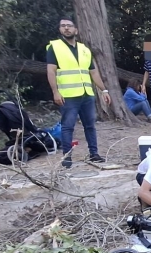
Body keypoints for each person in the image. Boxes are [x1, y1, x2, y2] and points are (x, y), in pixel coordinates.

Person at [46, 18, 111, 167]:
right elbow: (51, 71)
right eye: (63, 26)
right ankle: (67, 158)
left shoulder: (84, 49)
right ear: (60, 29)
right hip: (68, 96)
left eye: (69, 26)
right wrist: (55, 92)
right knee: (68, 126)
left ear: (76, 30)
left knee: (90, 125)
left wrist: (104, 90)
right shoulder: (54, 47)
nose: (66, 28)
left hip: (86, 94)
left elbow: (93, 73)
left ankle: (94, 154)